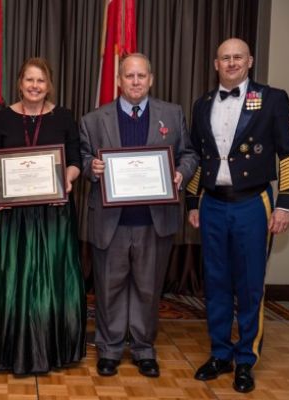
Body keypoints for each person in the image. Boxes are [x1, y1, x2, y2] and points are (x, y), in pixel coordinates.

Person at [186, 38, 289, 393]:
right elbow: (197, 155)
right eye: (225, 57)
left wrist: (287, 204)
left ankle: (246, 359)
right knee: (216, 282)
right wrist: (193, 202)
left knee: (250, 286)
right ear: (216, 63)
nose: (231, 62)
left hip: (254, 204)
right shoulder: (202, 103)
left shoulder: (273, 98)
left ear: (249, 61)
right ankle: (220, 353)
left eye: (238, 57)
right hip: (213, 203)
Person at [80, 53, 198, 378]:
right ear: (119, 80)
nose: (135, 82)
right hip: (111, 221)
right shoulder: (93, 119)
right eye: (129, 76)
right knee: (110, 288)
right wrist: (92, 167)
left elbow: (189, 153)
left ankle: (144, 349)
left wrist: (180, 173)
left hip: (154, 219)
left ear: (151, 79)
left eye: (141, 76)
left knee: (148, 288)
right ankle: (110, 349)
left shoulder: (172, 114)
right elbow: (83, 156)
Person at [0, 57, 87, 375]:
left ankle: (55, 349)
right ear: (19, 82)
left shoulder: (64, 117)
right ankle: (10, 349)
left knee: (54, 280)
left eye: (40, 81)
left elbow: (75, 160)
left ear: (48, 84)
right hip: (13, 213)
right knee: (13, 278)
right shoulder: (2, 118)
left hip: (54, 212)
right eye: (29, 80)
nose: (34, 86)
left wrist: (66, 181)